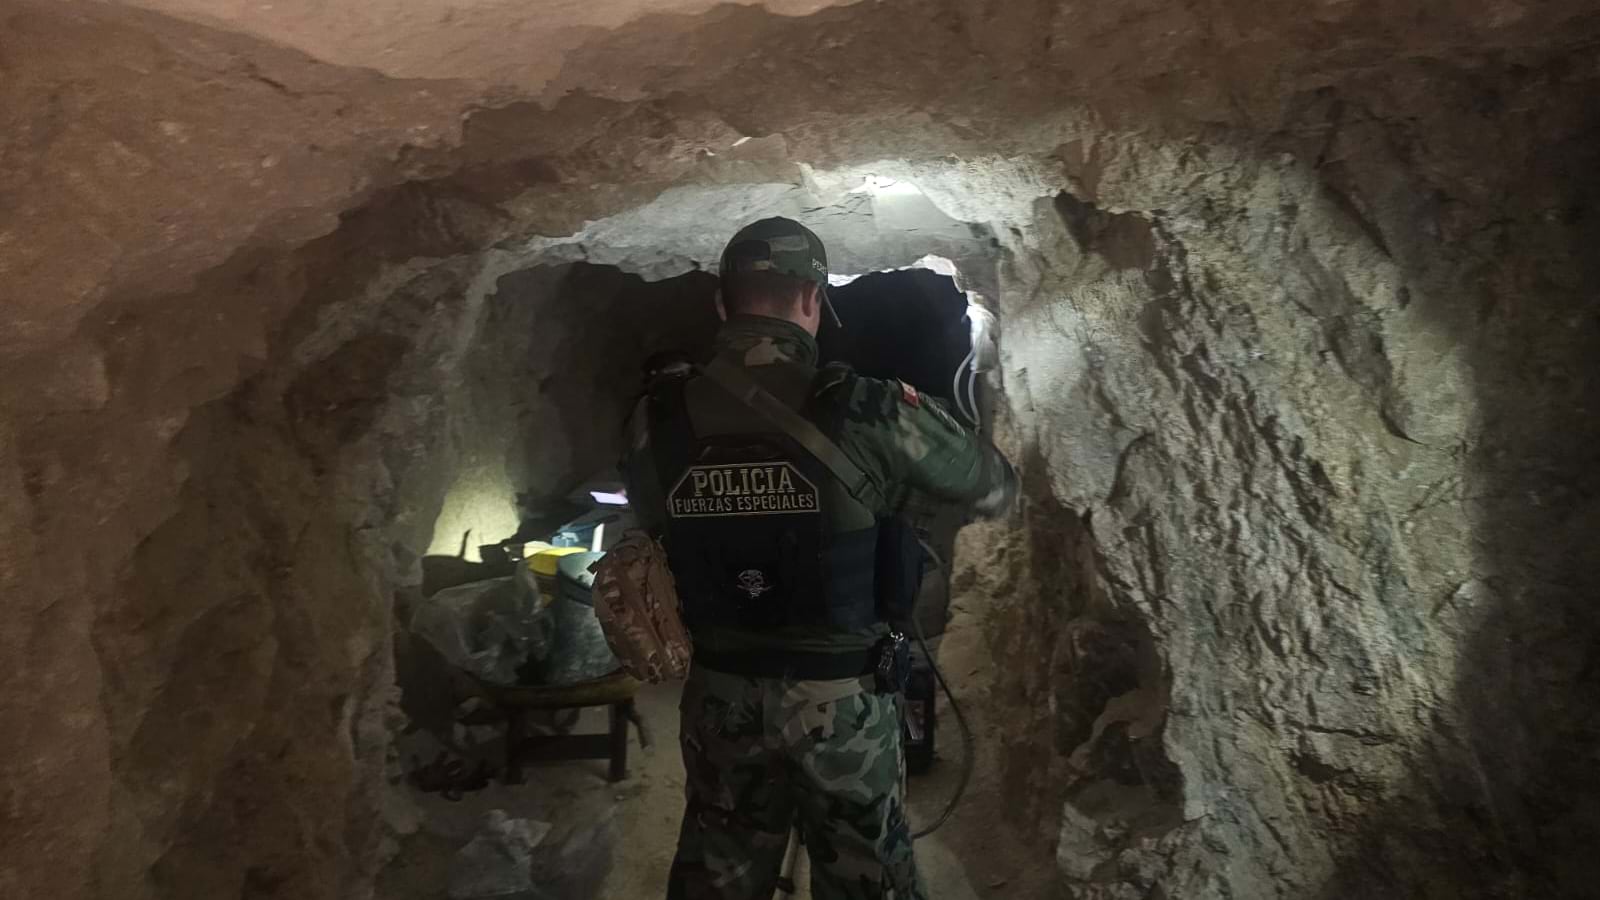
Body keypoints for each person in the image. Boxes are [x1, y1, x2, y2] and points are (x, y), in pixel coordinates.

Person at [620, 217, 1017, 900]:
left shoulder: (659, 415)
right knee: (868, 878)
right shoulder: (867, 408)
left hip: (721, 695)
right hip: (843, 702)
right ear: (812, 299)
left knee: (719, 867)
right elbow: (991, 483)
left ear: (722, 305)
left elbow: (653, 517)